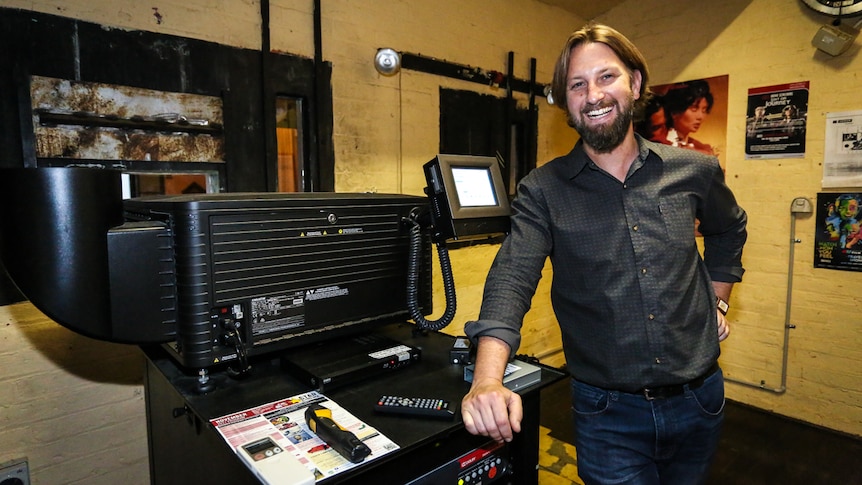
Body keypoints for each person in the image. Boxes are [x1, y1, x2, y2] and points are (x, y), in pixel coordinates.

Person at [460, 23, 747, 485]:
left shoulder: (694, 170)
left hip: (700, 400)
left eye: (606, 77)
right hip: (607, 413)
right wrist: (488, 380)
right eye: (577, 84)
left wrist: (717, 298)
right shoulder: (543, 190)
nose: (593, 94)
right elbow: (511, 279)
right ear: (566, 102)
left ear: (634, 84)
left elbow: (729, 228)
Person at [663, 79, 716, 155]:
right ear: (674, 112)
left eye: (704, 110)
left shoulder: (702, 149)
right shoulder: (659, 143)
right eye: (694, 109)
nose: (700, 116)